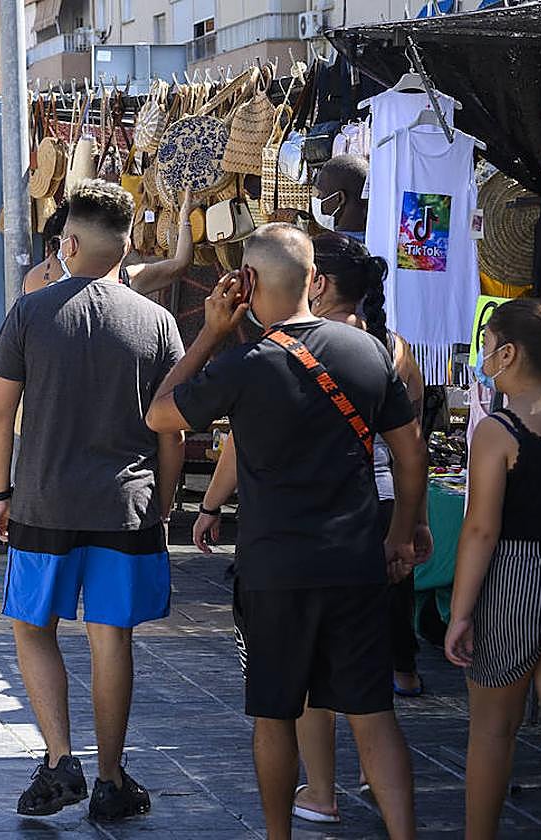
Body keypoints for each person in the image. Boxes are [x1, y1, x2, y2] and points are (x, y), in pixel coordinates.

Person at [146, 224, 427, 840]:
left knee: (274, 715)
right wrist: (406, 532)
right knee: (374, 715)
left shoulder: (244, 366)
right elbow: (411, 455)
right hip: (355, 560)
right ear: (314, 281)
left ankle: (280, 835)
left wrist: (214, 330)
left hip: (275, 568)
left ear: (245, 282)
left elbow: (159, 412)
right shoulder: (369, 352)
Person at [0, 180, 186, 822]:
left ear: (68, 244)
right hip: (126, 503)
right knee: (112, 637)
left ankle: (58, 759)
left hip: (42, 500)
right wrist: (169, 498)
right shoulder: (157, 322)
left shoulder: (31, 313)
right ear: (124, 249)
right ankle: (109, 776)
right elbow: (172, 427)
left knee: (32, 625)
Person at [445, 299, 541, 837]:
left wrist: (460, 613)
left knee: (492, 730)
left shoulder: (499, 430)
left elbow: (481, 529)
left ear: (506, 353)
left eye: (486, 346)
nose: (482, 357)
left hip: (517, 579)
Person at [23, 190, 197, 297]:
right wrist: (184, 219)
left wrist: (185, 219)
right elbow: (179, 265)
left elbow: (178, 265)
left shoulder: (31, 281)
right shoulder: (118, 282)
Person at [312, 155, 369, 242]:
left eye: (321, 193)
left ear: (340, 198)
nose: (318, 199)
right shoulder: (383, 242)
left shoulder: (326, 250)